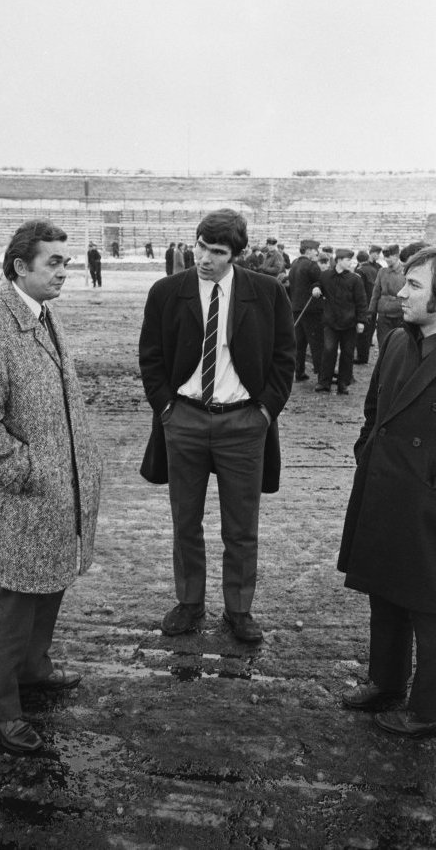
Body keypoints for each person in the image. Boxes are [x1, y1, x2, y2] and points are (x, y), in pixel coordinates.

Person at [0, 219, 102, 754]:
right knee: (17, 597)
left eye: (67, 261)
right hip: (25, 494)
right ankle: (1, 708)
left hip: (61, 488)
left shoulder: (42, 313)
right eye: (54, 263)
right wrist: (29, 472)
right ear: (20, 266)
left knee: (52, 578)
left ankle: (34, 669)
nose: (66, 272)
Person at [138, 209, 295, 642]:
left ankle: (238, 610)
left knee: (241, 527)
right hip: (183, 419)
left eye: (218, 251)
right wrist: (167, 409)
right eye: (200, 246)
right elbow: (150, 357)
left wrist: (264, 412)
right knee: (185, 520)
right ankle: (189, 603)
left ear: (236, 255)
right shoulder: (167, 292)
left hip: (244, 423)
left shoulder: (265, 293)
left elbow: (285, 358)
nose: (205, 257)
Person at [338, 246, 436, 738]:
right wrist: (366, 451)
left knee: (429, 605)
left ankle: (428, 708)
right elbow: (374, 408)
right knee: (386, 590)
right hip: (384, 486)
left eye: (415, 286)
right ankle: (386, 682)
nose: (400, 292)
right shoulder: (397, 339)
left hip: (426, 498)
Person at [313, 248, 367, 395]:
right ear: (339, 260)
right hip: (330, 322)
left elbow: (361, 301)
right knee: (329, 351)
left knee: (347, 353)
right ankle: (324, 383)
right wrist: (316, 288)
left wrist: (361, 321)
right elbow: (318, 283)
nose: (351, 263)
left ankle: (343, 384)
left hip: (349, 323)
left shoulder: (355, 279)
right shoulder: (325, 276)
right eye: (348, 260)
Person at [287, 240, 323, 380]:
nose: (317, 253)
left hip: (296, 308)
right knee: (317, 342)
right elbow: (320, 283)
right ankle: (322, 374)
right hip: (311, 310)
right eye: (315, 250)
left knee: (299, 342)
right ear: (308, 250)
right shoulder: (311, 265)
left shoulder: (294, 264)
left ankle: (299, 371)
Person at [367, 244, 405, 349]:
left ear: (397, 256)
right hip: (383, 316)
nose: (386, 259)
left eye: (389, 257)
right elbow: (376, 293)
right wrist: (371, 311)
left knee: (398, 347)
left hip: (400, 316)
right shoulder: (382, 272)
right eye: (385, 257)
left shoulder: (406, 272)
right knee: (383, 345)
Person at [354, 251, 377, 364]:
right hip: (373, 304)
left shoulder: (359, 270)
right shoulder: (374, 269)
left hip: (363, 305)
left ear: (358, 260)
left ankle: (361, 357)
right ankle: (364, 356)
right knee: (369, 331)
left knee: (361, 333)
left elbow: (358, 290)